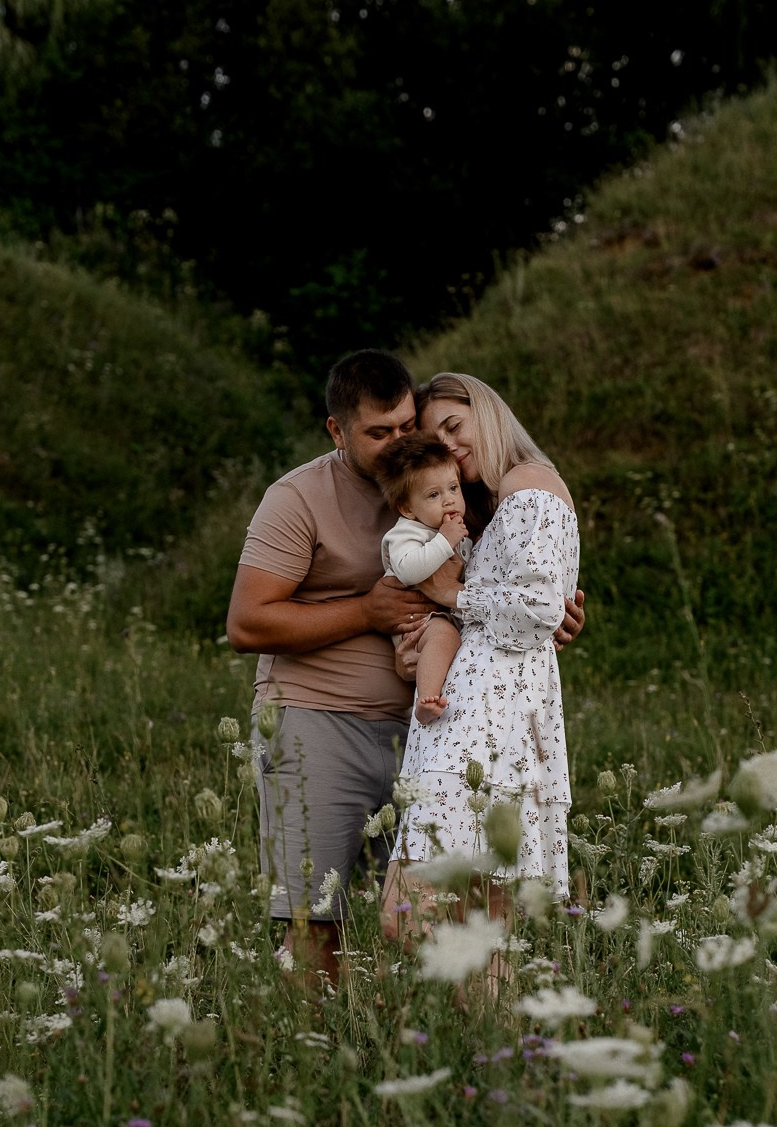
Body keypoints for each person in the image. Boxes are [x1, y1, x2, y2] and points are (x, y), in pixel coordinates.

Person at [227, 349, 584, 985]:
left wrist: (557, 616)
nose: (400, 443)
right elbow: (247, 624)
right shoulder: (298, 498)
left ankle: (420, 1046)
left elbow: (508, 587)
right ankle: (315, 1051)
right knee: (315, 914)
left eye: (406, 426)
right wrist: (366, 611)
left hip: (432, 734)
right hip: (320, 723)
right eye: (378, 433)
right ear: (337, 431)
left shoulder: (457, 492)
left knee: (435, 909)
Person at [382, 371, 579, 934]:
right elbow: (539, 604)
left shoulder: (527, 482)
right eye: (436, 440)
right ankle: (497, 1025)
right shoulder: (494, 503)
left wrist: (452, 593)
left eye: (454, 425)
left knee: (408, 915)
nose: (450, 445)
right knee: (484, 923)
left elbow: (538, 610)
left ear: (487, 411)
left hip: (483, 723)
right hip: (483, 715)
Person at [375, 431, 470, 726]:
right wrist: (444, 541)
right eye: (433, 495)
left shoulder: (454, 528)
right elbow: (408, 569)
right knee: (444, 635)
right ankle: (426, 700)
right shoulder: (407, 532)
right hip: (417, 622)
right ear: (407, 508)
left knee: (453, 638)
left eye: (453, 488)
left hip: (441, 615)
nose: (448, 501)